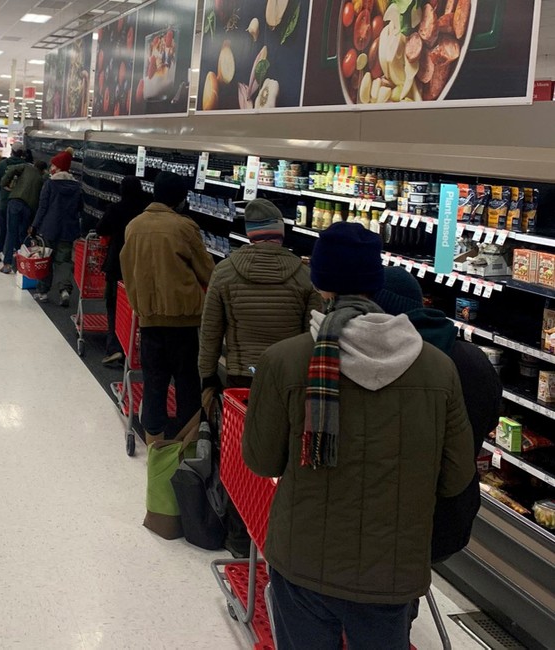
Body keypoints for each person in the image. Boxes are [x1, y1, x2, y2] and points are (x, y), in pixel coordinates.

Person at [242, 222, 475, 648]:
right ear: (376, 280)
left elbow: (261, 459)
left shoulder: (285, 360)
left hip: (303, 560)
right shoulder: (437, 368)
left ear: (320, 282)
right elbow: (457, 475)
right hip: (393, 570)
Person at [373, 268, 501, 565]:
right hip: (452, 516)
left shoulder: (384, 363)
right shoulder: (472, 359)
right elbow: (489, 421)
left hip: (394, 520)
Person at [120, 171, 215, 441]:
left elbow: (127, 270)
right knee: (186, 383)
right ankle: (187, 446)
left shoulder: (134, 226)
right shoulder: (184, 227)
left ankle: (155, 445)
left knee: (154, 383)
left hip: (149, 320)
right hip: (183, 321)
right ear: (181, 198)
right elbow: (207, 272)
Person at [200, 198, 322, 389]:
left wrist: (207, 375)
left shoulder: (224, 271)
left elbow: (211, 329)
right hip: (288, 377)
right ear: (280, 232)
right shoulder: (305, 276)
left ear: (250, 234)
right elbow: (312, 335)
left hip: (242, 375)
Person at [95, 176, 149, 365]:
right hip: (141, 267)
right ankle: (139, 349)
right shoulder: (146, 211)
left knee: (114, 306)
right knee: (140, 309)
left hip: (117, 265)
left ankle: (116, 348)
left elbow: (101, 228)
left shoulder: (116, 209)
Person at [30, 149, 83, 306]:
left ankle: (43, 292)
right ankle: (64, 290)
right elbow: (80, 209)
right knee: (63, 261)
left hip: (49, 228)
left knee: (45, 259)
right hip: (68, 230)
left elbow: (43, 207)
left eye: (53, 165)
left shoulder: (50, 184)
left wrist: (34, 225)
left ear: (58, 168)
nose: (51, 167)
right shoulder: (77, 187)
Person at [0, 159, 46, 274]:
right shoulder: (42, 179)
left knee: (11, 233)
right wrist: (33, 224)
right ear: (43, 170)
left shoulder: (26, 167)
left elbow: (12, 169)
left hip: (15, 202)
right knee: (23, 235)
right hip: (29, 208)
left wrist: (4, 182)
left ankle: (7, 264)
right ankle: (23, 264)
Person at [0, 144, 28, 263]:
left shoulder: (3, 164)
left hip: (5, 202)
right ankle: (19, 254)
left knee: (3, 228)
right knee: (19, 230)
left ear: (12, 152)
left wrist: (1, 188)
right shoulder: (26, 167)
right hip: (22, 203)